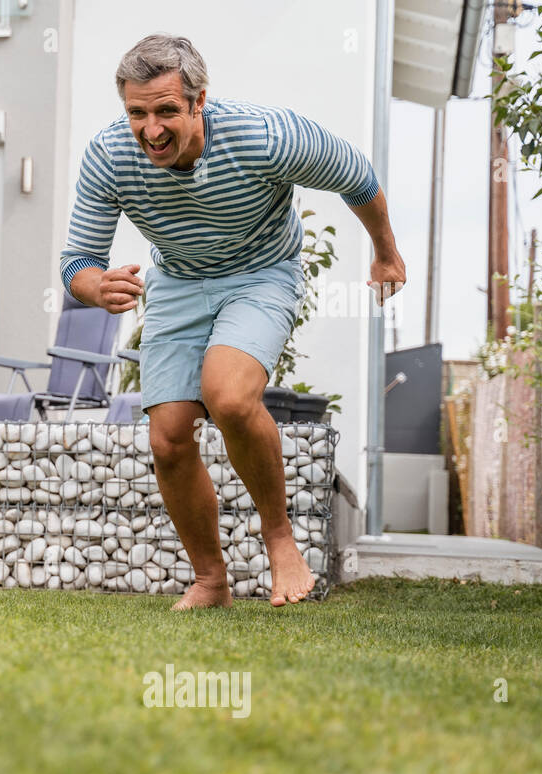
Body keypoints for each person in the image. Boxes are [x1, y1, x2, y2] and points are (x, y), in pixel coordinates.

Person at [60, 34, 406, 610]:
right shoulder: (108, 156)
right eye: (137, 113)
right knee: (168, 437)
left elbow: (357, 177)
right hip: (178, 282)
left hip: (262, 272)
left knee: (228, 394)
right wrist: (95, 286)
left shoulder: (264, 137)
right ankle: (211, 579)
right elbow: (78, 262)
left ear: (199, 102)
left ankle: (280, 542)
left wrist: (386, 252)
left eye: (167, 110)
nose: (151, 130)